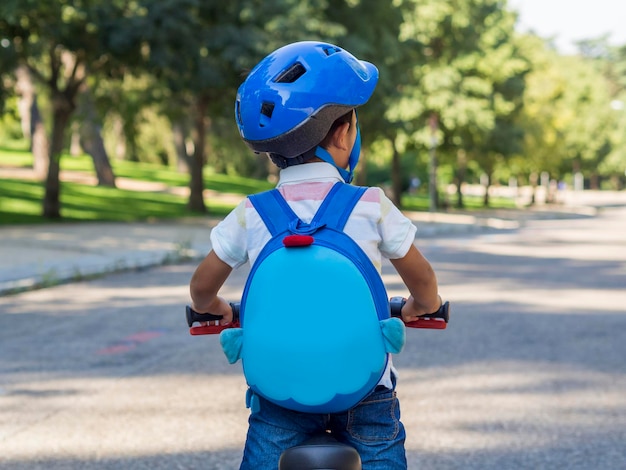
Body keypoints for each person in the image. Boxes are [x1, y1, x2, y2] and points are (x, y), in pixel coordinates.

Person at [189, 41, 441, 470]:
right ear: (343, 133)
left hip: (278, 398)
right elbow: (424, 283)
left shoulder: (252, 213)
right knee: (382, 452)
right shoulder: (370, 204)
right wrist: (422, 307)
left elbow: (200, 289)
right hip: (366, 397)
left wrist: (216, 310)